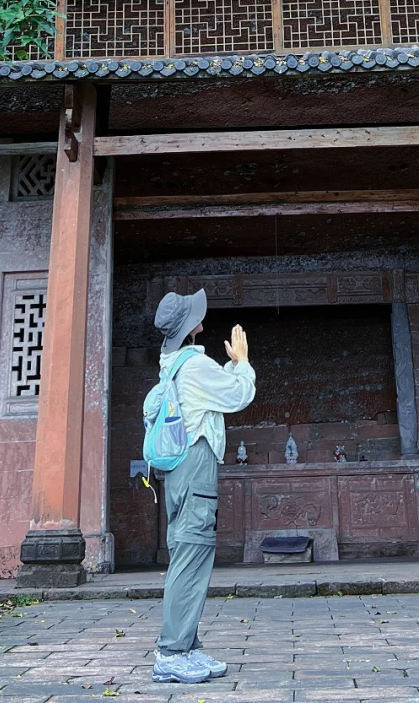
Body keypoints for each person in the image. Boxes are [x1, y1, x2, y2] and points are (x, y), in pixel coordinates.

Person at [149, 288, 255, 685]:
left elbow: (212, 395)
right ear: (187, 327)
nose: (201, 316)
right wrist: (242, 363)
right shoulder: (194, 364)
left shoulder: (172, 364)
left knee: (185, 552)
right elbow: (239, 394)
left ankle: (187, 647)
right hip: (194, 465)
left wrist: (228, 368)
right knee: (192, 553)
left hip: (177, 471)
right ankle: (172, 652)